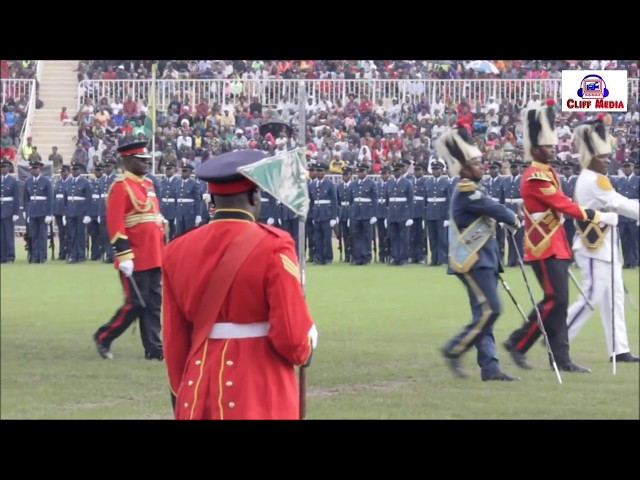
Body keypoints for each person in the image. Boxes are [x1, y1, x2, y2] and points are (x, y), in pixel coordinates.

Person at [162, 149, 318, 420]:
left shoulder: (177, 250)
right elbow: (292, 339)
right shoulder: (274, 245)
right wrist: (308, 342)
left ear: (212, 198)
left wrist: (183, 388)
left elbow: (175, 339)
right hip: (259, 385)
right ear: (254, 195)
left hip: (199, 384)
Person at [503, 101, 618, 373]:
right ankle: (519, 342)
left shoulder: (547, 171)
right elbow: (561, 204)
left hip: (556, 245)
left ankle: (561, 358)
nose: (553, 150)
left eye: (553, 146)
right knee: (554, 300)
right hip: (543, 247)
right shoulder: (534, 175)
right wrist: (598, 216)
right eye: (547, 146)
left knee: (559, 302)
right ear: (534, 149)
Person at [437, 126, 521, 381]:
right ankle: (454, 348)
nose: (481, 166)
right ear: (464, 169)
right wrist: (514, 219)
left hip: (485, 260)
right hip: (474, 261)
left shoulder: (474, 187)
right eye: (476, 163)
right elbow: (498, 211)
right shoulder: (466, 189)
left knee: (483, 314)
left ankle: (490, 367)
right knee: (491, 310)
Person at [566, 118, 639, 362]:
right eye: (603, 157)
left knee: (614, 298)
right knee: (591, 296)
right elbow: (620, 204)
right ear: (590, 157)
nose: (608, 161)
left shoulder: (592, 177)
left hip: (605, 247)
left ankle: (619, 349)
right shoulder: (594, 179)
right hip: (593, 247)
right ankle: (558, 338)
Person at [93, 139, 165, 361]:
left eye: (146, 160)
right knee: (136, 302)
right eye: (141, 161)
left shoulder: (148, 185)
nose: (146, 165)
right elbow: (115, 224)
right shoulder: (121, 186)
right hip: (134, 256)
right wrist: (123, 255)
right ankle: (104, 336)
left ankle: (154, 348)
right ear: (127, 161)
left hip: (154, 254)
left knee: (153, 304)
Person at [23, 160, 53, 263]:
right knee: (34, 235)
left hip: (43, 211)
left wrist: (49, 214)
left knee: (42, 235)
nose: (33, 171)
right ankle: (35, 256)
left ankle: (42, 256)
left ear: (39, 169)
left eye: (35, 169)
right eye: (32, 169)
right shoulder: (28, 181)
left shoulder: (46, 181)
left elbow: (49, 198)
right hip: (32, 211)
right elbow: (27, 199)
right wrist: (26, 212)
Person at [0, 158, 20, 263]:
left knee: (8, 235)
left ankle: (10, 256)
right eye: (2, 167)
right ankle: (2, 256)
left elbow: (16, 197)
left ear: (9, 168)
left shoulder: (13, 181)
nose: (3, 169)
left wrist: (16, 212)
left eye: (5, 167)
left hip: (9, 210)